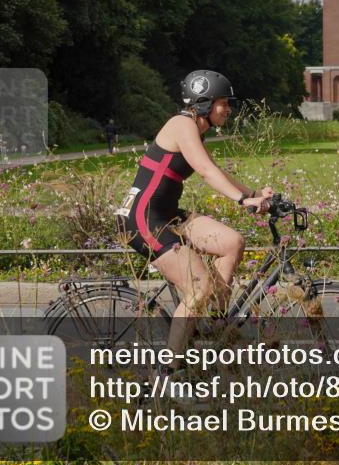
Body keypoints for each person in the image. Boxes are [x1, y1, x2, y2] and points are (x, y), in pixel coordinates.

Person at [115, 69, 273, 375]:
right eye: (223, 103)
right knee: (199, 287)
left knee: (232, 242)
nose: (227, 109)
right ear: (203, 103)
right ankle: (169, 372)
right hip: (142, 219)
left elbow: (215, 169)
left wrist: (253, 193)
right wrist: (242, 201)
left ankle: (214, 324)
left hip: (168, 214)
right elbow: (204, 170)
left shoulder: (196, 129)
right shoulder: (181, 124)